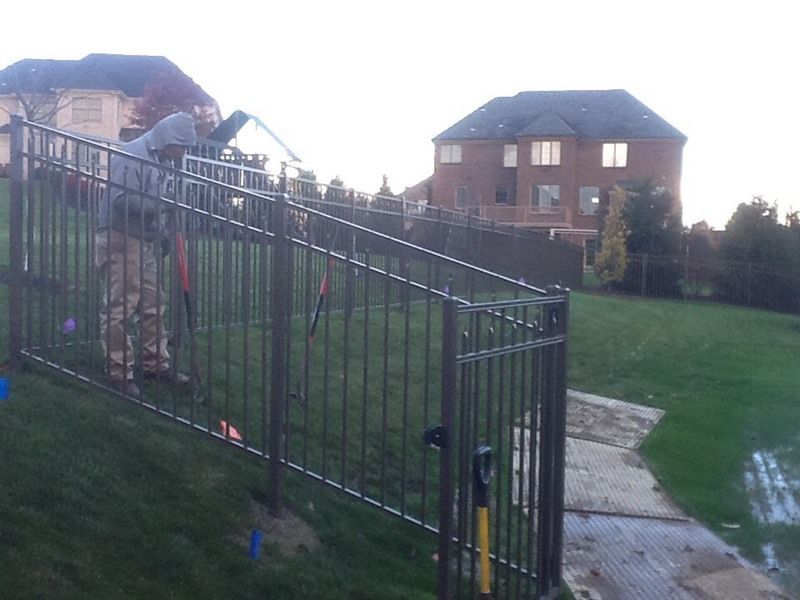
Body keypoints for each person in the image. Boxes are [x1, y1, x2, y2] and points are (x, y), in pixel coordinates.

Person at [96, 112, 197, 398]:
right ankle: (120, 372)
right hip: (119, 236)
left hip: (142, 240)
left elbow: (153, 205)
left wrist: (162, 231)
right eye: (184, 146)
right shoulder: (134, 155)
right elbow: (121, 201)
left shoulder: (161, 160)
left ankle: (155, 364)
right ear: (171, 139)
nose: (184, 152)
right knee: (121, 306)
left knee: (154, 303)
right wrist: (163, 205)